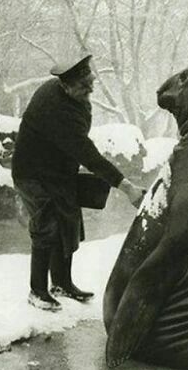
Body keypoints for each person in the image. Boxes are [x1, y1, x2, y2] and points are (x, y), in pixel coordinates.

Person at [11, 55, 146, 312]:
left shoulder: (71, 96)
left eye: (91, 82)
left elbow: (77, 141)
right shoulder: (56, 109)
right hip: (33, 174)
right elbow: (88, 154)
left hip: (58, 172)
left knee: (68, 220)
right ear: (65, 85)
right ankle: (37, 291)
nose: (91, 89)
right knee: (46, 225)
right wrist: (126, 187)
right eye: (84, 87)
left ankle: (62, 283)